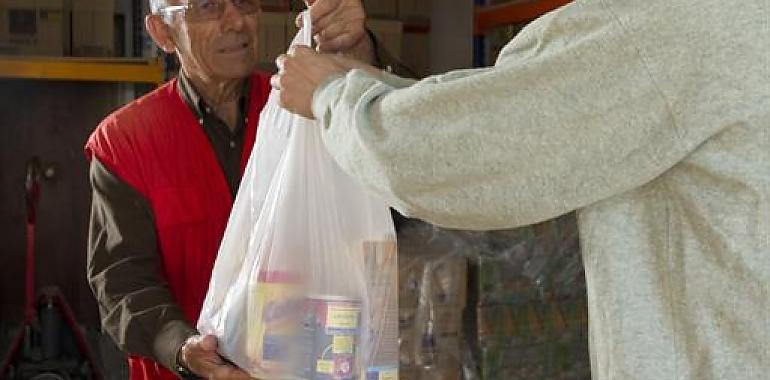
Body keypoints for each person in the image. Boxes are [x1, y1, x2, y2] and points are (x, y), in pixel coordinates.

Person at [273, 0, 770, 379]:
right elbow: (512, 109)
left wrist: (331, 97)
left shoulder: (673, 25)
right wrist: (360, 77)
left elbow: (463, 153)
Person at [84, 0, 401, 379]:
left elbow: (397, 142)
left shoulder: (306, 106)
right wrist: (184, 350)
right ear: (162, 32)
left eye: (245, 2)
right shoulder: (126, 141)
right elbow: (123, 285)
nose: (235, 21)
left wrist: (358, 51)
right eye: (207, 6)